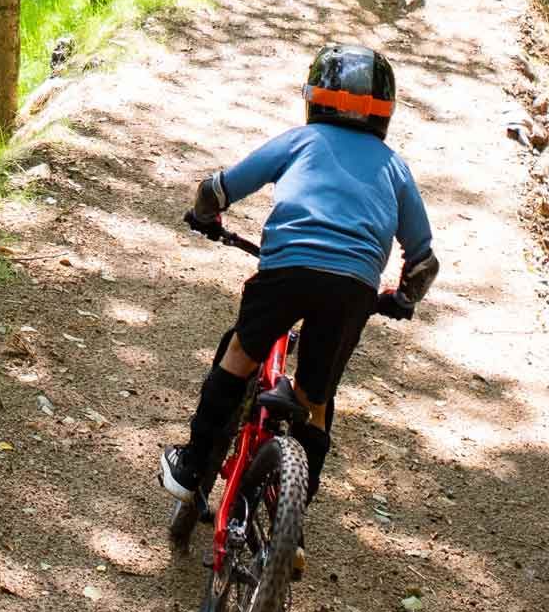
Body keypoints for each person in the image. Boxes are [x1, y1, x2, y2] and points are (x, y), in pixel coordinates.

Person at [159, 44, 440, 540]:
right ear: (386, 112)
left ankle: (191, 466)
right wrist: (401, 299)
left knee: (242, 353)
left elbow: (217, 190)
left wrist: (206, 217)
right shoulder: (394, 168)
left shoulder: (300, 141)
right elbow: (423, 263)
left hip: (286, 271)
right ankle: (292, 521)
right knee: (315, 397)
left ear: (314, 98)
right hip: (352, 290)